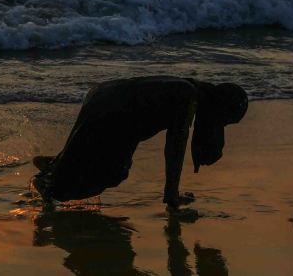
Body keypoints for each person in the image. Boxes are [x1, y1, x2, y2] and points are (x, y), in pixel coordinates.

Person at [32, 76, 248, 211]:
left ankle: (55, 164)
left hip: (102, 93)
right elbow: (175, 145)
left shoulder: (190, 88)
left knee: (90, 150)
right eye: (226, 121)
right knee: (113, 173)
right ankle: (51, 185)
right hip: (117, 110)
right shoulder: (188, 98)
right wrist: (171, 195)